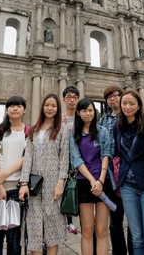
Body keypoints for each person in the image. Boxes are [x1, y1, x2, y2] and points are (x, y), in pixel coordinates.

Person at [18, 93, 70, 255]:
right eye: (47, 105)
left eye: (53, 106)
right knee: (33, 227)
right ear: (42, 107)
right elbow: (28, 157)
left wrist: (61, 182)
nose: (50, 108)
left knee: (52, 226)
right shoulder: (33, 130)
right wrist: (24, 183)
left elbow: (64, 157)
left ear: (58, 108)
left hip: (53, 183)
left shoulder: (62, 130)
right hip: (34, 184)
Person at [114, 90, 144, 255]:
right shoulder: (118, 126)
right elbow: (116, 152)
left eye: (132, 103)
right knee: (136, 237)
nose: (127, 107)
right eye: (124, 103)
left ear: (139, 105)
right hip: (127, 186)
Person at [70, 98, 115, 255]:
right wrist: (92, 181)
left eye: (90, 110)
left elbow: (106, 154)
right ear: (78, 112)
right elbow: (76, 159)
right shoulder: (74, 133)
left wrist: (100, 180)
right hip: (84, 183)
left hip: (103, 182)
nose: (88, 113)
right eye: (84, 110)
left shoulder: (102, 131)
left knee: (102, 230)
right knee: (87, 230)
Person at [0, 96, 28, 255]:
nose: (15, 108)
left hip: (17, 188)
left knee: (14, 237)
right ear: (6, 109)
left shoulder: (28, 132)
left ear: (24, 109)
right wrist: (0, 185)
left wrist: (5, 174)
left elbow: (26, 158)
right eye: (11, 106)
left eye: (18, 106)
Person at [98, 86, 133, 254]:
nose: (112, 99)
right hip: (110, 175)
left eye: (115, 95)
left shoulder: (129, 117)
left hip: (128, 173)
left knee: (133, 219)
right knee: (115, 219)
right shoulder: (103, 120)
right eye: (109, 97)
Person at [62, 85, 80, 234]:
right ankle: (68, 221)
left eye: (75, 98)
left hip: (79, 160)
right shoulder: (60, 120)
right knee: (66, 190)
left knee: (76, 189)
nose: (72, 100)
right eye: (69, 97)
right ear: (64, 100)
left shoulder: (82, 119)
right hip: (63, 160)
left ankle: (76, 217)